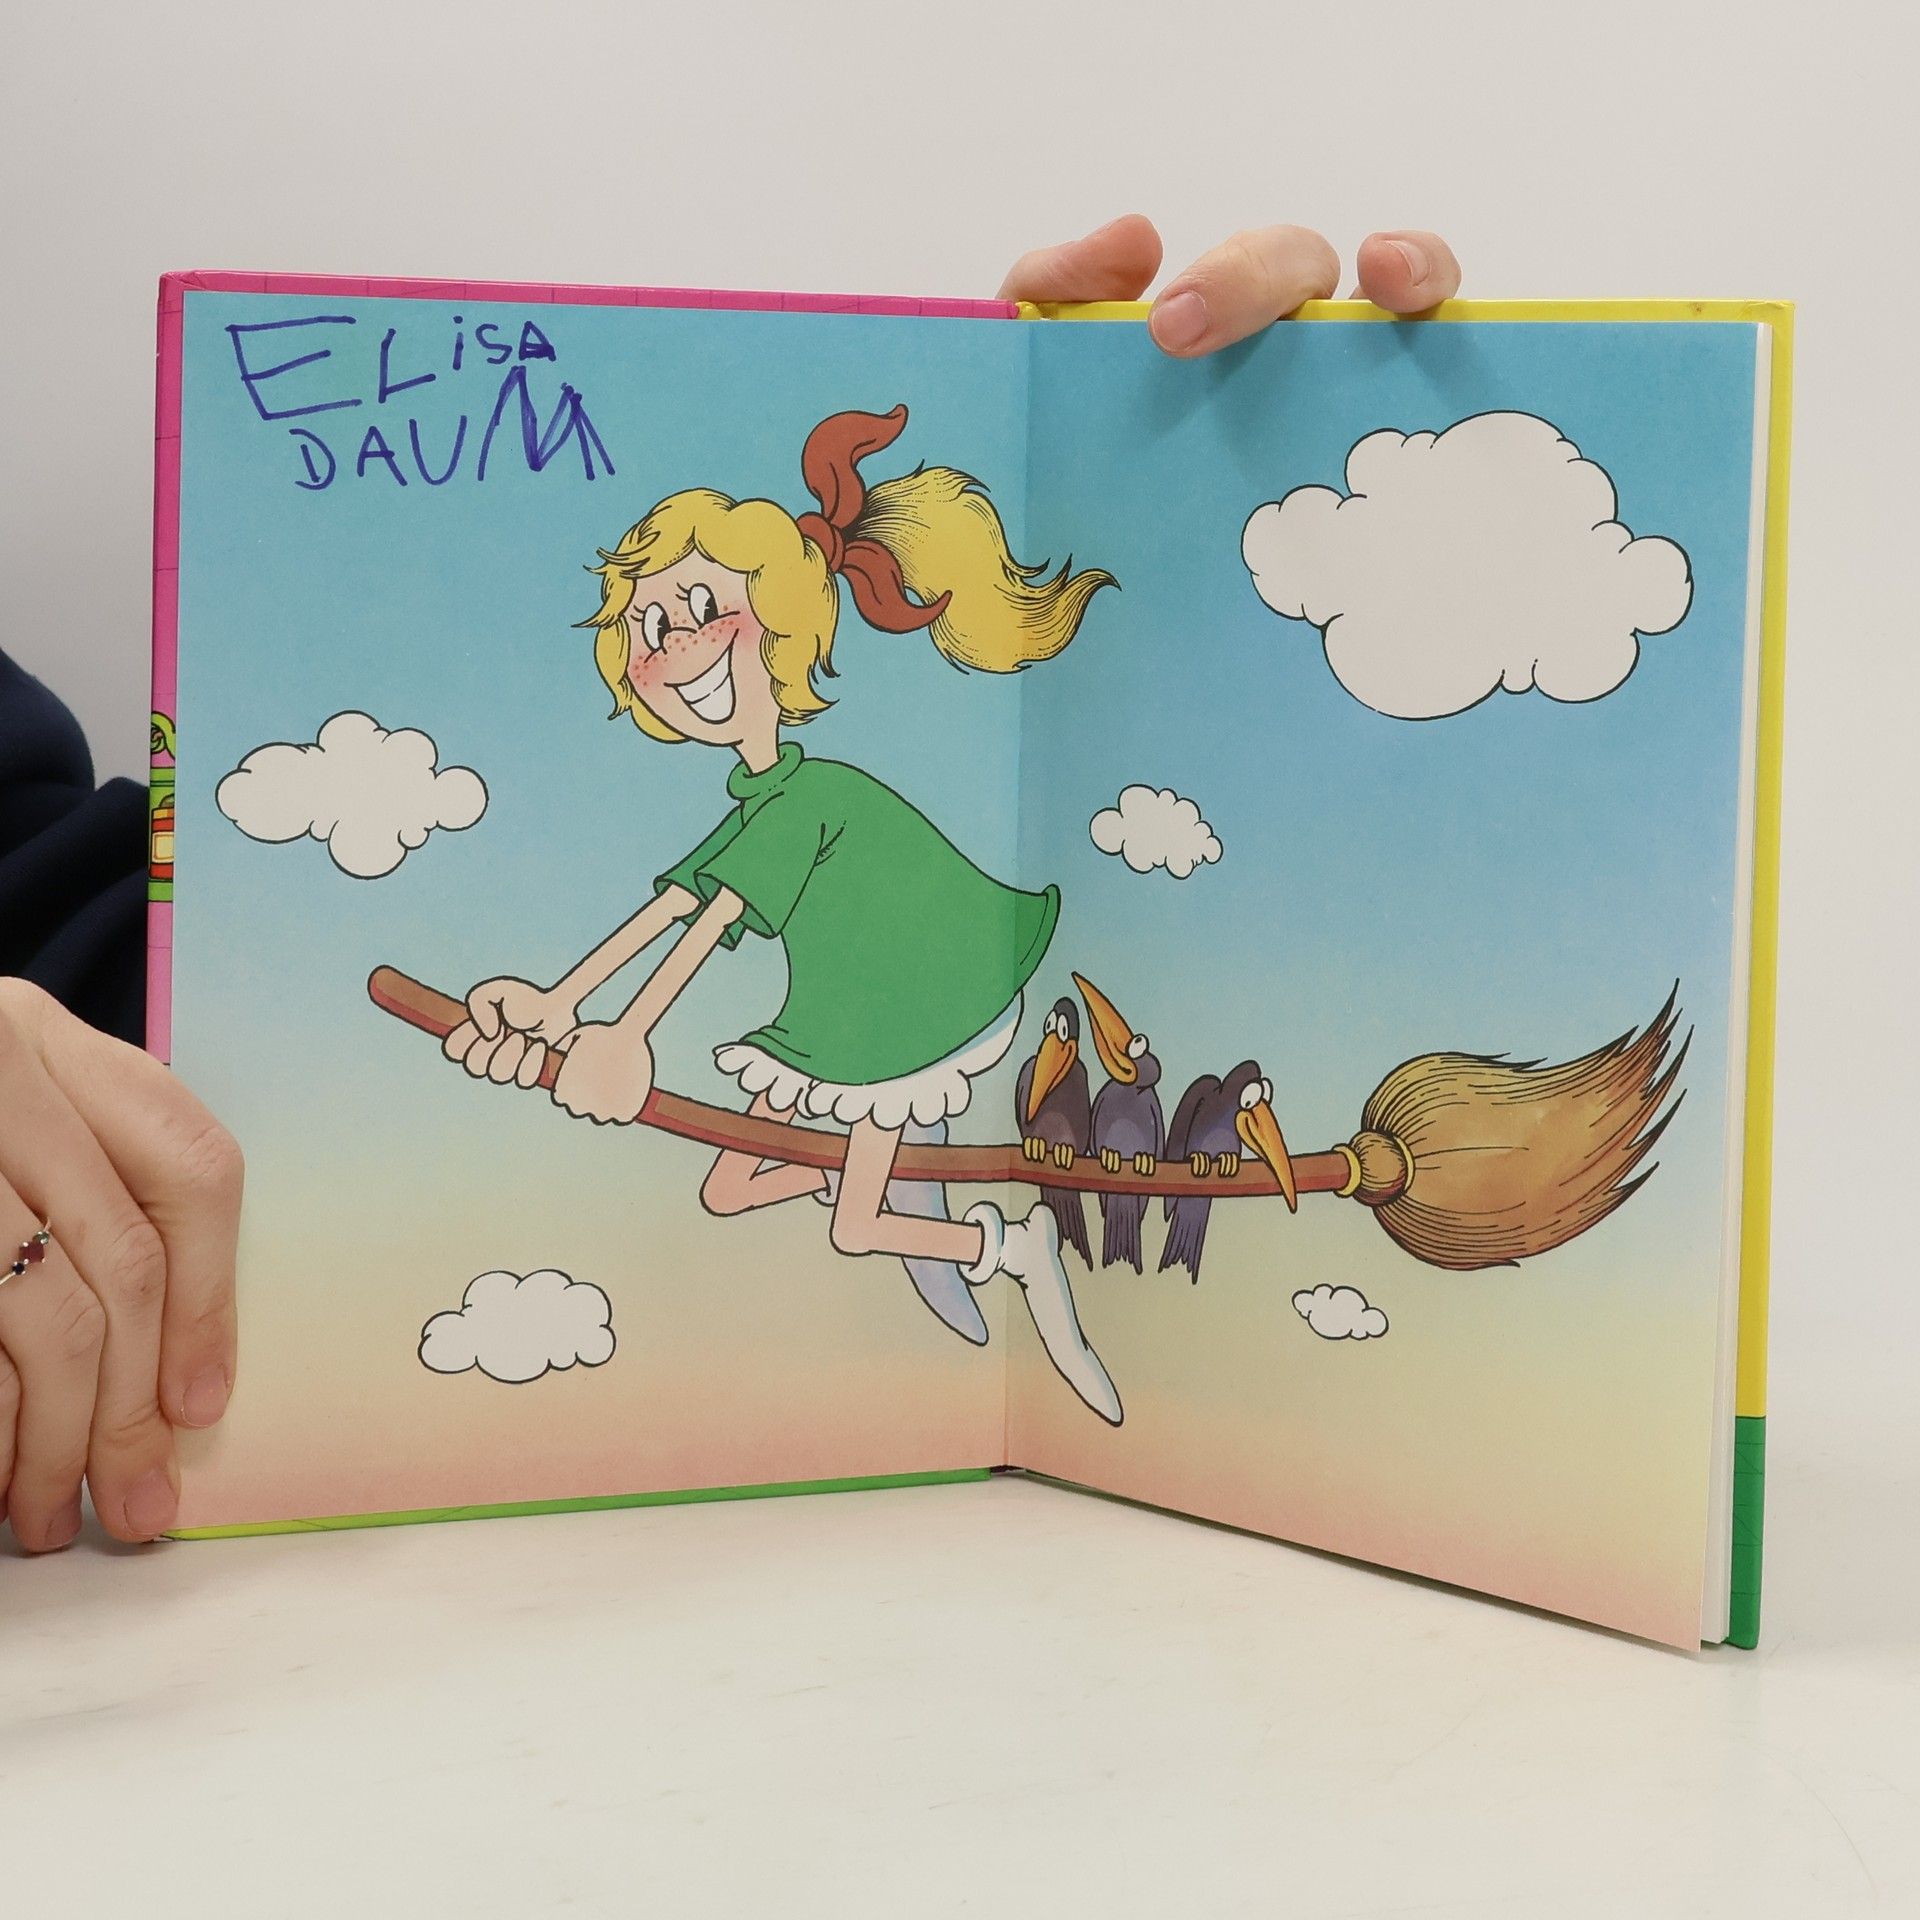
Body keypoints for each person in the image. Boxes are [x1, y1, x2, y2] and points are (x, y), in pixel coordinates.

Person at [0, 219, 1462, 1552]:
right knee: (750, 1178)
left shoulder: (801, 794)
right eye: (643, 632)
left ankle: (1004, 1239)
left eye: (693, 609)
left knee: (848, 1215)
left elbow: (698, 932)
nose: (668, 648)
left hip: (913, 1004)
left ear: (780, 620)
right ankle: (983, 1236)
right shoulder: (764, 799)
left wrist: (1090, 435)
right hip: (861, 1017)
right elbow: (662, 913)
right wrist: (555, 1005)